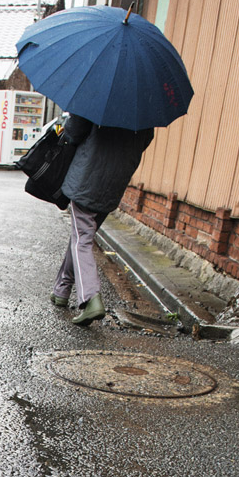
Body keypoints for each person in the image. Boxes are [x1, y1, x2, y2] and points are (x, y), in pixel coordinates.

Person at [51, 115, 154, 325]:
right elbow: (145, 141)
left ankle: (90, 298)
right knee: (81, 236)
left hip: (87, 178)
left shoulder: (98, 100)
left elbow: (73, 131)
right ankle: (61, 289)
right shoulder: (143, 111)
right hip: (114, 183)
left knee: (82, 240)